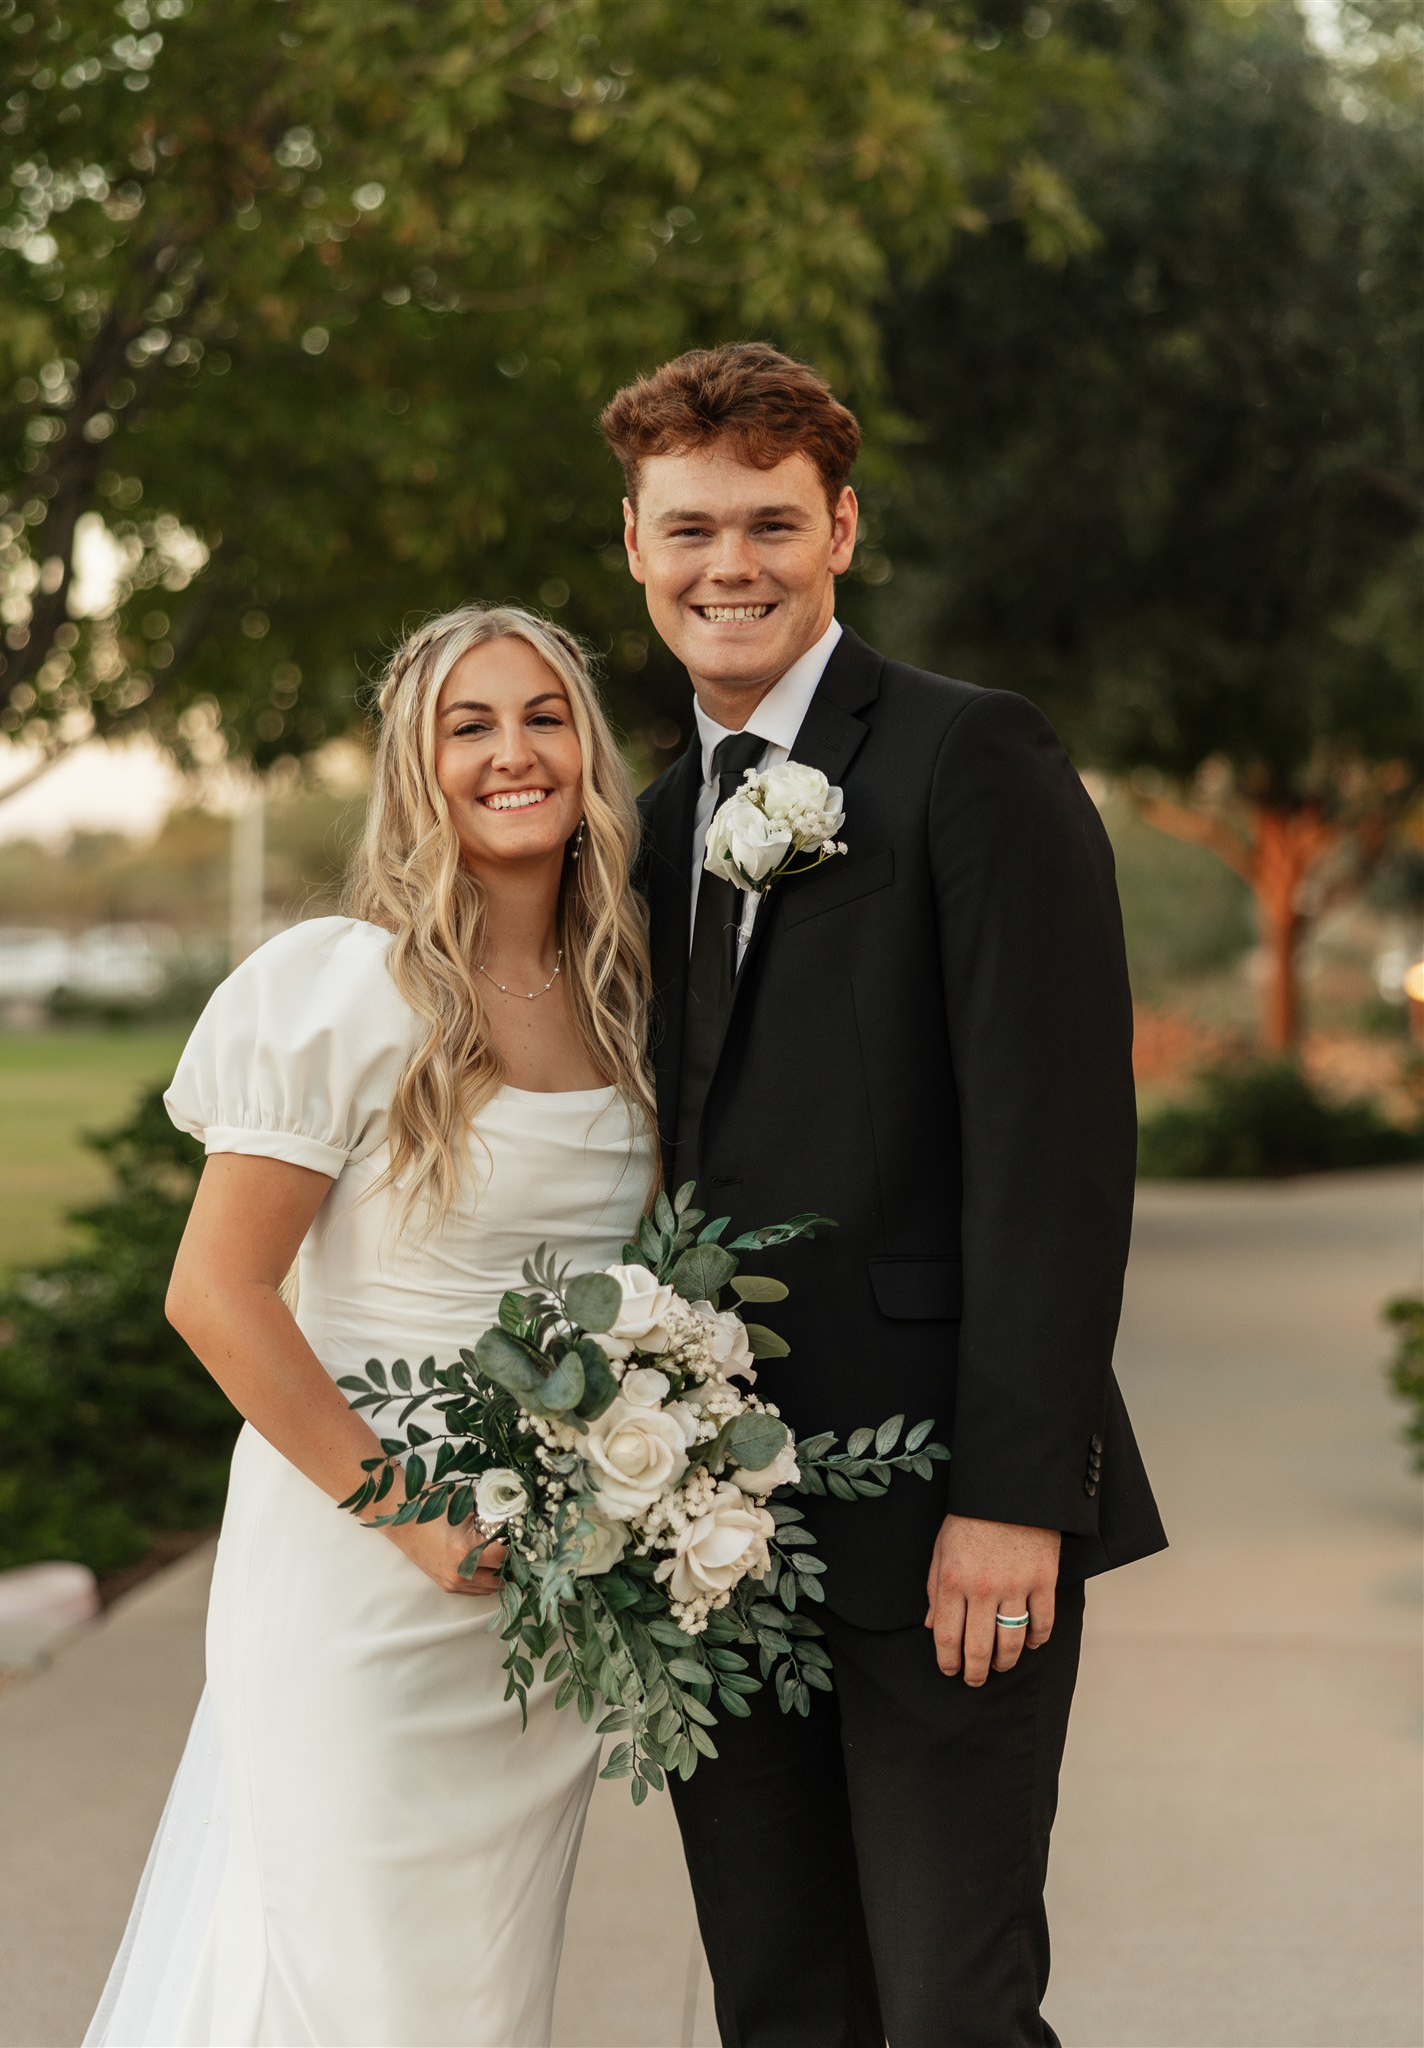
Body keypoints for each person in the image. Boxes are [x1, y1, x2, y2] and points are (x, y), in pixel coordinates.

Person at [602, 342, 1168, 2048]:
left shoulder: (964, 758)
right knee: (780, 2002)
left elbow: (1057, 1159)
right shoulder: (636, 827)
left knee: (949, 2010)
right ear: (632, 547)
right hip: (709, 1525)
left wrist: (1015, 1495)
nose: (730, 567)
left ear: (841, 528)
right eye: (689, 528)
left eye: (771, 524)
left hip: (939, 1509)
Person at [84, 606, 658, 2048]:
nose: (512, 753)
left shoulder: (632, 997)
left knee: (480, 1998)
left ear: (588, 753)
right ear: (416, 767)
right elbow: (212, 1294)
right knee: (370, 1997)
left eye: (543, 718)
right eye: (469, 726)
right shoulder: (341, 988)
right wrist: (408, 1513)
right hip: (359, 1582)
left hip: (539, 1605)